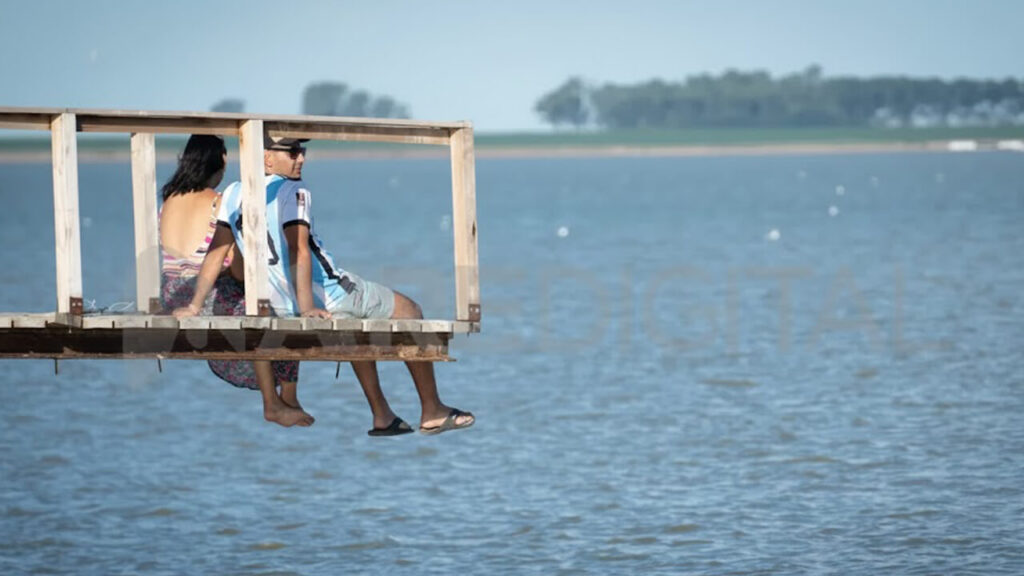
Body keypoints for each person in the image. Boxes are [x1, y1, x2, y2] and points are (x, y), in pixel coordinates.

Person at [176, 134, 474, 436]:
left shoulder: (232, 194)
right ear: (266, 158)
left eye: (302, 151)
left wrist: (194, 306)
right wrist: (308, 308)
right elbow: (299, 249)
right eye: (292, 152)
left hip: (281, 306)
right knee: (410, 311)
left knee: (355, 330)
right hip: (331, 292)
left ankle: (382, 415)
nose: (301, 158)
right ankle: (432, 409)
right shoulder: (293, 189)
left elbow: (216, 252)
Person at [160, 135, 313, 428]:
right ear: (219, 161)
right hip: (204, 294)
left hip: (171, 294)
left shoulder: (169, 200)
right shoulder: (220, 202)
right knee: (276, 310)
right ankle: (279, 400)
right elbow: (239, 271)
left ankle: (283, 400)